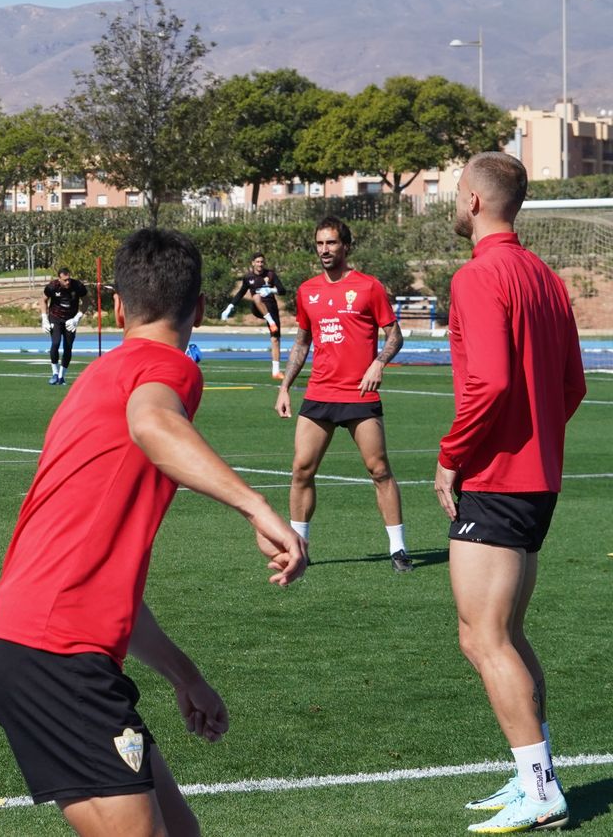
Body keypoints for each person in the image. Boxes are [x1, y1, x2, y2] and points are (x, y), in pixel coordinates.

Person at [0, 228, 306, 837]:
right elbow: (153, 421)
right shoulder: (165, 368)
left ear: (118, 309)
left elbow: (108, 591)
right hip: (54, 656)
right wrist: (256, 506)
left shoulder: (99, 376)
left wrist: (187, 677)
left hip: (36, 646)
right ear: (200, 309)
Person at [435, 152, 583, 834]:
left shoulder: (478, 275)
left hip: (496, 481)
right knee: (508, 636)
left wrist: (451, 457)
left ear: (471, 199)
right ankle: (534, 773)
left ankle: (540, 789)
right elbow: (571, 388)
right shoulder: (546, 279)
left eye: (450, 190)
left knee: (482, 638)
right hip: (537, 480)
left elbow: (489, 385)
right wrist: (535, 439)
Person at [275, 217, 411, 573]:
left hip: (359, 395)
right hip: (320, 393)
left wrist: (379, 362)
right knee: (301, 470)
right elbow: (302, 342)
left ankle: (398, 549)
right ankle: (298, 549)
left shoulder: (369, 287)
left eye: (331, 243)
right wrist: (285, 387)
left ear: (346, 246)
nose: (324, 250)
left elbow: (395, 336)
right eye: (320, 244)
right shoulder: (307, 291)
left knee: (379, 470)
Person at [220, 252, 287, 380]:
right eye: (257, 262)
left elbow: (283, 290)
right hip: (257, 308)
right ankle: (270, 321)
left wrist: (271, 290)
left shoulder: (271, 274)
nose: (260, 264)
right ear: (253, 263)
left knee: (275, 339)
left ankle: (276, 372)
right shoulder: (248, 277)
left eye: (262, 262)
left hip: (271, 308)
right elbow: (240, 293)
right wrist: (229, 307)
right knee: (256, 297)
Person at [41, 267, 89, 385]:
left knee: (68, 347)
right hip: (55, 318)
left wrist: (77, 318)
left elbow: (86, 301)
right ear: (59, 279)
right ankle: (55, 373)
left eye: (68, 279)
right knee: (55, 343)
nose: (67, 282)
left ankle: (62, 376)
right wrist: (44, 318)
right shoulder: (52, 287)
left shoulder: (77, 286)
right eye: (65, 280)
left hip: (70, 320)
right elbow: (43, 300)